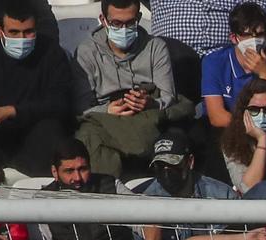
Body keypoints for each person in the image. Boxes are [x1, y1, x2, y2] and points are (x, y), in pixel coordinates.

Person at [74, 0, 189, 179]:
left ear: (139, 18)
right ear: (103, 20)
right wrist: (107, 110)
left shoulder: (155, 47)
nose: (124, 29)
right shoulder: (86, 51)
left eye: (130, 23)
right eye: (116, 23)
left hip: (147, 110)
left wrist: (150, 103)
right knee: (89, 135)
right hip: (107, 113)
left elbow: (169, 96)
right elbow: (82, 106)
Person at [0, 0, 82, 176]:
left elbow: (60, 104)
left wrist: (11, 111)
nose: (21, 39)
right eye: (14, 32)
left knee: (52, 129)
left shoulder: (51, 53)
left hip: (35, 135)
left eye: (28, 32)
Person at [200, 3, 266, 133]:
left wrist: (265, 73)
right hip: (229, 130)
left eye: (259, 35)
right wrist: (252, 130)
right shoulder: (214, 62)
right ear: (234, 38)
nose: (253, 41)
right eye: (247, 35)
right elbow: (217, 116)